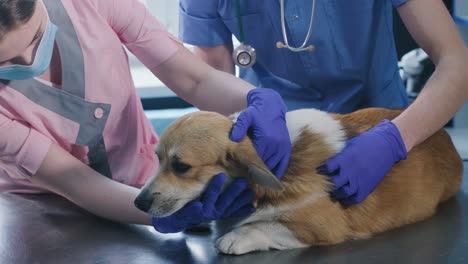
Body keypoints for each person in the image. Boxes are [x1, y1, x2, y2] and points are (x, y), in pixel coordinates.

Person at [0, 0, 291, 233]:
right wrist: (161, 217)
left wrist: (254, 101)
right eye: (4, 61)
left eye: (37, 35)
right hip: (48, 216)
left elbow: (195, 80)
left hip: (148, 180)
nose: (29, 60)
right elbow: (75, 181)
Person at [179, 0, 468, 205]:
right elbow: (213, 79)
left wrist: (394, 140)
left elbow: (456, 61)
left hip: (377, 133)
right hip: (275, 145)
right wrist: (233, 160)